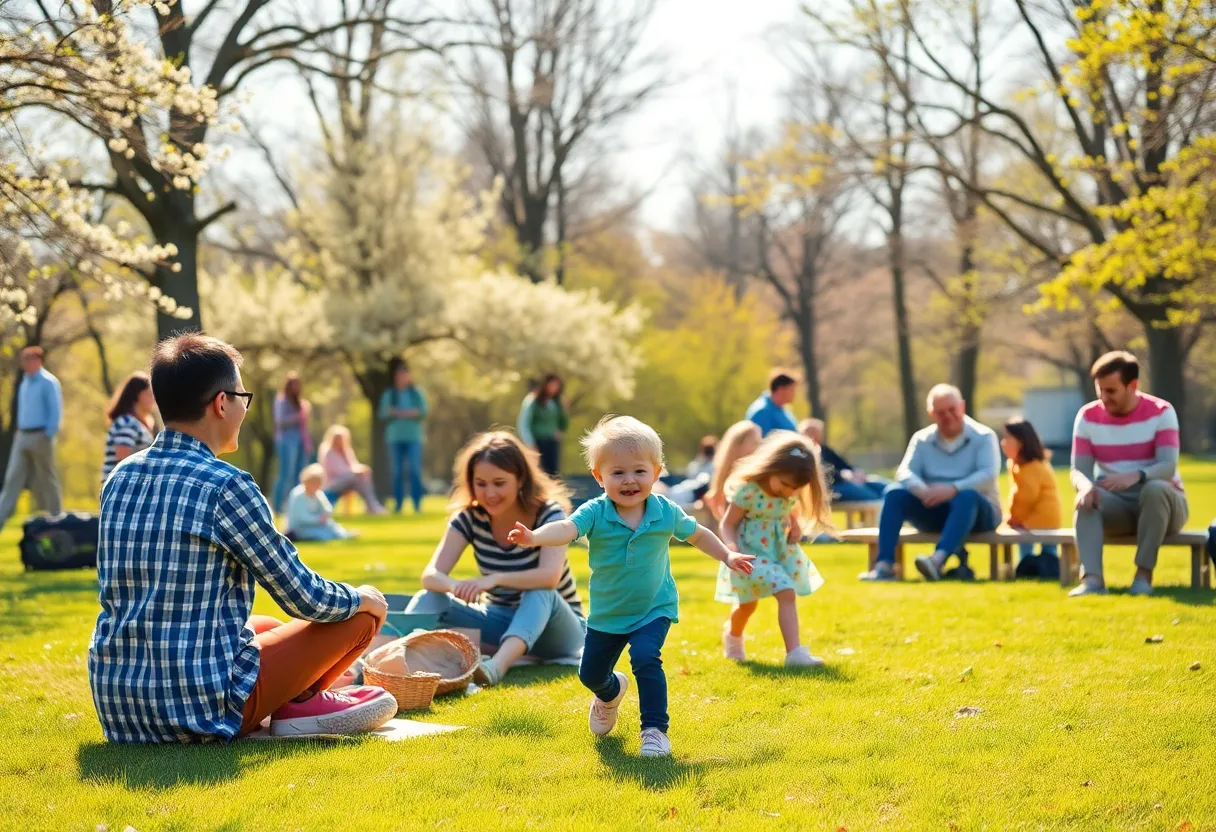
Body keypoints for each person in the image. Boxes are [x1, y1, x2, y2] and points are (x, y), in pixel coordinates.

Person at [87, 333, 396, 742]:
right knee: (359, 617)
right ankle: (298, 710)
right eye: (242, 398)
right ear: (221, 403)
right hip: (200, 710)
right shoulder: (226, 486)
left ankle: (297, 700)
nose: (243, 409)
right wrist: (364, 598)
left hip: (120, 705)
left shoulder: (119, 479)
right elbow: (303, 597)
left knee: (264, 624)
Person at [507, 415, 754, 758]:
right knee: (591, 675)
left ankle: (654, 731)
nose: (629, 480)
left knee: (645, 657)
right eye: (617, 473)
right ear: (599, 476)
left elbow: (698, 534)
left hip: (654, 607)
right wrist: (535, 537)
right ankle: (610, 692)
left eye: (639, 471)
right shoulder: (595, 511)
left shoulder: (664, 511)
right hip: (608, 613)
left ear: (656, 472)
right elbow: (565, 529)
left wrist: (727, 555)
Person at [406, 431, 586, 686]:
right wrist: (455, 587)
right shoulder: (470, 518)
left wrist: (493, 579)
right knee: (430, 598)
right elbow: (430, 576)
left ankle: (496, 667)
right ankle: (387, 661)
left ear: (520, 479)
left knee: (539, 592)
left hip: (558, 631)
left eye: (499, 483)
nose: (489, 493)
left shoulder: (549, 514)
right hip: (502, 620)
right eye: (481, 483)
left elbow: (549, 577)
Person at [1069, 351, 1188, 597]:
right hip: (1117, 503)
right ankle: (1092, 581)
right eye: (1099, 390)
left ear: (1133, 386)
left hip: (1165, 504)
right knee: (1087, 500)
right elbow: (1078, 470)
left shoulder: (1162, 412)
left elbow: (1167, 468)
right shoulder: (1087, 416)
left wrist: (1136, 476)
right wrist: (1085, 486)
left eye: (1111, 391)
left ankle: (1143, 577)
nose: (1103, 398)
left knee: (1155, 490)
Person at [859, 384, 1000, 582]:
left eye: (952, 410)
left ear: (962, 407)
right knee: (894, 493)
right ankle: (884, 566)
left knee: (966, 497)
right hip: (934, 507)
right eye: (941, 413)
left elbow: (988, 476)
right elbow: (905, 472)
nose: (948, 416)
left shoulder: (984, 436)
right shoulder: (921, 439)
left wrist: (952, 489)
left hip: (978, 512)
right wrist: (923, 491)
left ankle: (936, 561)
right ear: (932, 414)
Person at [716, 432, 831, 666]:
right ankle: (734, 637)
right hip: (750, 554)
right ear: (771, 468)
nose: (789, 492)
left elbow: (788, 511)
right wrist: (731, 550)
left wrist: (795, 526)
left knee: (785, 592)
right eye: (785, 485)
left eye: (795, 489)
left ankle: (794, 653)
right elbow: (727, 524)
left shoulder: (787, 493)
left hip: (778, 554)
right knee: (748, 605)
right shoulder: (748, 491)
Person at [0, 346, 62, 530]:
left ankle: (57, 520)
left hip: (41, 435)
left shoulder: (48, 382)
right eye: (24, 358)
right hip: (23, 436)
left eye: (29, 358)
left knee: (47, 479)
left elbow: (55, 410)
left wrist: (48, 433)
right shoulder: (24, 382)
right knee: (12, 480)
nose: (25, 362)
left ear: (38, 360)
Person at [1000, 418, 1061, 566]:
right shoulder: (1021, 466)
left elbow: (1026, 497)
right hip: (1042, 518)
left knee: (1033, 547)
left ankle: (1030, 566)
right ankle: (1041, 566)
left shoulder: (1031, 468)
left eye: (1007, 438)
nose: (1003, 442)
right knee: (1044, 549)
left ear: (1021, 442)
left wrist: (1015, 519)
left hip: (1041, 518)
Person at [377, 359, 428, 514]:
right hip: (394, 438)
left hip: (413, 437)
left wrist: (399, 413)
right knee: (397, 471)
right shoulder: (390, 394)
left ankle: (417, 504)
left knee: (414, 470)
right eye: (399, 375)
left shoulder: (416, 394)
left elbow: (423, 412)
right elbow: (383, 413)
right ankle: (398, 504)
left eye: (404, 375)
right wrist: (406, 413)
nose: (402, 378)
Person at [797, 418, 886, 502]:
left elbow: (843, 464)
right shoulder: (803, 453)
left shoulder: (825, 450)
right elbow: (821, 473)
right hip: (832, 487)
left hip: (847, 481)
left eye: (818, 432)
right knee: (871, 497)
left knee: (878, 484)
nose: (817, 436)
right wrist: (843, 476)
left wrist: (855, 471)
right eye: (812, 432)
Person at [101, 372, 158, 484]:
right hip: (121, 489)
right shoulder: (127, 422)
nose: (154, 399)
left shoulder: (139, 423)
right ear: (137, 395)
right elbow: (123, 460)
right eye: (149, 394)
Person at [319, 424, 385, 514]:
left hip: (349, 481)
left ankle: (371, 505)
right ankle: (372, 506)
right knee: (358, 477)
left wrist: (361, 470)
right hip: (333, 483)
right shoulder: (329, 453)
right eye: (337, 439)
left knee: (363, 476)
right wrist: (355, 472)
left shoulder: (346, 451)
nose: (339, 441)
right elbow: (337, 471)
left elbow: (353, 465)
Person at [704, 421, 763, 522]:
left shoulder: (755, 476)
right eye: (755, 443)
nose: (760, 448)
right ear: (738, 445)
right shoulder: (735, 482)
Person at [271, 372, 312, 514]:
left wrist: (307, 443)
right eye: (293, 384)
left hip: (301, 441)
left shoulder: (301, 403)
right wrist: (297, 416)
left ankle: (294, 506)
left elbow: (304, 427)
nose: (296, 387)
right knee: (285, 474)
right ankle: (276, 506)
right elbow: (280, 422)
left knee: (299, 475)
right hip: (286, 441)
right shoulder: (281, 401)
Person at [286, 464, 356, 542]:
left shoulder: (318, 493)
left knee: (330, 525)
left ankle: (344, 535)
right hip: (300, 527)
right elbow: (300, 518)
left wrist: (325, 515)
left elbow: (327, 508)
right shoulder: (298, 494)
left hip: (316, 523)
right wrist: (318, 519)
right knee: (323, 535)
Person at [518, 373, 568, 476]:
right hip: (538, 443)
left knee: (553, 473)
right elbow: (524, 424)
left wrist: (564, 409)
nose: (554, 388)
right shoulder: (533, 400)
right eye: (552, 385)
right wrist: (530, 443)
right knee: (539, 473)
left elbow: (563, 423)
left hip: (552, 442)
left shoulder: (556, 402)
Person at [745, 370, 798, 437]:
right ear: (781, 389)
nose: (794, 394)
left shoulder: (783, 409)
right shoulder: (763, 411)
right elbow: (762, 442)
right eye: (792, 390)